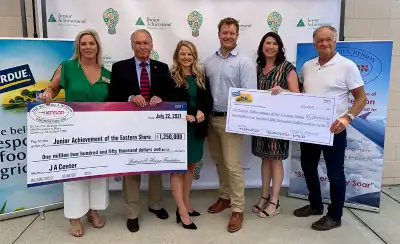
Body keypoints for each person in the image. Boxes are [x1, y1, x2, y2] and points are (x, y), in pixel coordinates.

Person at [293, 25, 367, 231]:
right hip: (310, 129)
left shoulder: (347, 66)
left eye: (328, 39)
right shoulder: (307, 66)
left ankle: (335, 215)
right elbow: (299, 95)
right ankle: (316, 205)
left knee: (335, 173)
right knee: (308, 168)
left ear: (335, 41)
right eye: (320, 40)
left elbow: (361, 98)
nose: (324, 43)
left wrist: (347, 118)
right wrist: (282, 93)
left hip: (335, 129)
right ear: (314, 43)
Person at [39, 29, 110, 237]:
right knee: (73, 173)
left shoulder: (107, 74)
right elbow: (52, 88)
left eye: (91, 43)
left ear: (98, 46)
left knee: (97, 171)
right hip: (72, 130)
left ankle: (93, 210)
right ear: (78, 47)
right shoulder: (67, 67)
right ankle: (74, 216)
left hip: (99, 131)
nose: (88, 47)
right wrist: (47, 93)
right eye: (83, 43)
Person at [107, 29, 170, 233]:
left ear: (152, 45)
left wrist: (161, 98)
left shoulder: (163, 67)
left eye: (146, 43)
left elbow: (169, 93)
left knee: (155, 168)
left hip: (155, 127)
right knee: (132, 169)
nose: (142, 46)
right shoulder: (119, 67)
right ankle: (132, 213)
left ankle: (156, 205)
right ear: (132, 45)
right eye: (138, 43)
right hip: (130, 126)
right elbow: (113, 96)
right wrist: (129, 98)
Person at [203, 17, 257, 233]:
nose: (228, 36)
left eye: (232, 33)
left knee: (233, 166)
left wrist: (239, 119)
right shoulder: (209, 62)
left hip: (231, 120)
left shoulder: (244, 61)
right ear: (219, 34)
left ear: (237, 35)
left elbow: (249, 95)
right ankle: (225, 197)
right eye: (224, 32)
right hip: (210, 119)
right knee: (218, 161)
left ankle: (237, 209)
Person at [251, 32, 300, 218]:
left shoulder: (287, 68)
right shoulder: (258, 68)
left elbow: (297, 95)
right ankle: (264, 196)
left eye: (274, 43)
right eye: (267, 43)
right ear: (262, 46)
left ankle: (275, 200)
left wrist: (284, 91)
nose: (270, 46)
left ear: (279, 47)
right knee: (265, 158)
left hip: (278, 123)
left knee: (276, 159)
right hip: (260, 122)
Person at [166, 40, 213, 230]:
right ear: (177, 56)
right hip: (178, 129)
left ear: (194, 57)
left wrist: (203, 111)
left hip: (197, 129)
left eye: (190, 54)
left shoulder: (201, 76)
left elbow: (208, 100)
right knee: (178, 168)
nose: (186, 57)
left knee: (191, 166)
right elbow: (165, 104)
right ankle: (182, 211)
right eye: (183, 54)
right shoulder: (169, 77)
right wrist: (180, 114)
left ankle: (185, 204)